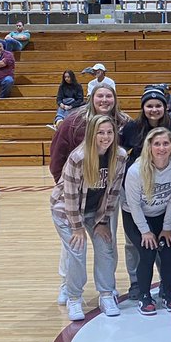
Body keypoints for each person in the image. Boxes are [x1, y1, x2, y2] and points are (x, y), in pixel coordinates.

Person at [52, 115, 126, 322]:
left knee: (105, 246)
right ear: (92, 134)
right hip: (66, 210)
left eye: (109, 132)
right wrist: (77, 227)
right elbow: (70, 195)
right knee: (77, 249)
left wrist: (102, 222)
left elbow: (112, 192)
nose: (105, 137)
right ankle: (74, 297)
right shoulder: (79, 157)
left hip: (95, 211)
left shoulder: (119, 156)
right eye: (100, 132)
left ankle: (106, 293)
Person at [123, 128, 171, 315]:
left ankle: (167, 292)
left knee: (169, 251)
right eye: (157, 144)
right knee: (148, 251)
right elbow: (134, 204)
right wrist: (145, 231)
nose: (161, 148)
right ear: (149, 147)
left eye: (166, 143)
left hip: (162, 214)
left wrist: (167, 227)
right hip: (135, 215)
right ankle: (144, 295)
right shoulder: (136, 171)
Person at [49, 83, 129, 182]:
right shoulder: (73, 122)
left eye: (108, 96)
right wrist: (62, 183)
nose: (104, 100)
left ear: (115, 100)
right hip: (78, 182)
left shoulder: (124, 122)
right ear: (91, 99)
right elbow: (57, 154)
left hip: (111, 183)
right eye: (100, 96)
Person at [121, 87, 171, 167]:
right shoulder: (131, 127)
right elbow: (122, 151)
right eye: (149, 106)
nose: (154, 110)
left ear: (165, 107)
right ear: (143, 108)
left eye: (158, 106)